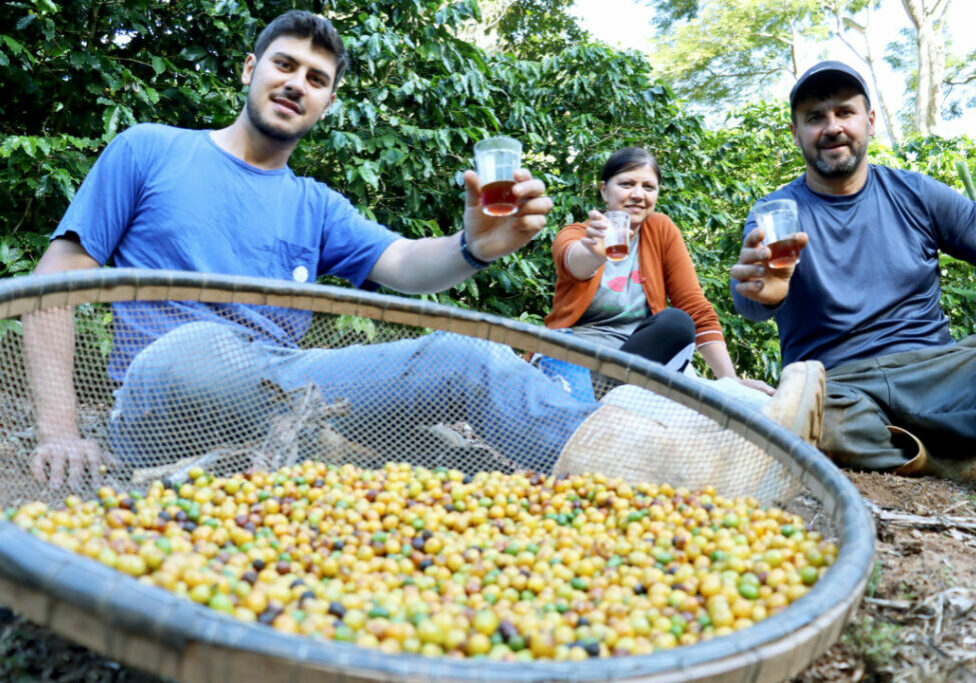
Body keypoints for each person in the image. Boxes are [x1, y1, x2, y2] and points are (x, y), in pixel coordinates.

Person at [730, 60, 976, 480]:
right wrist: (763, 293)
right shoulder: (777, 212)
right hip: (841, 384)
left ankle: (905, 444)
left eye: (844, 112)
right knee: (809, 414)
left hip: (933, 368)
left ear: (870, 120)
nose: (832, 127)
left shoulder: (916, 193)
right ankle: (946, 458)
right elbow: (752, 299)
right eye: (814, 118)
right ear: (795, 132)